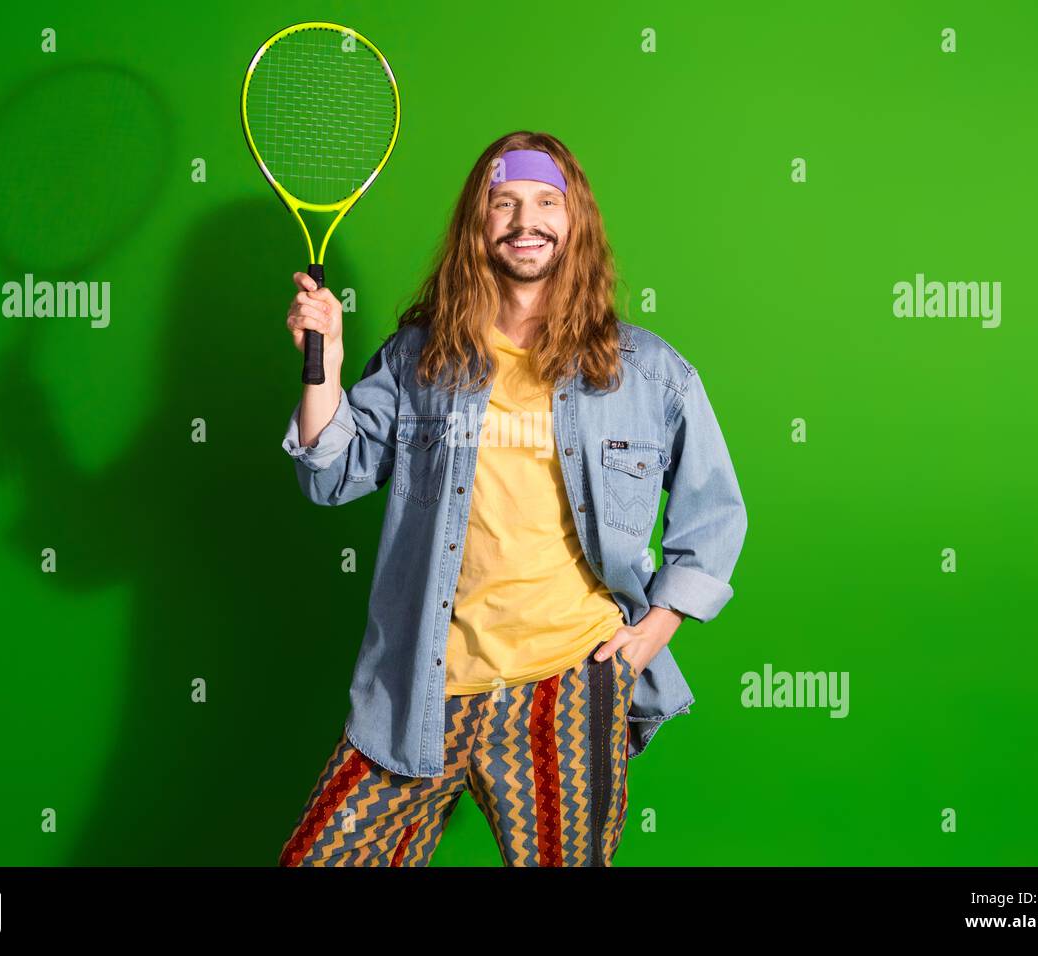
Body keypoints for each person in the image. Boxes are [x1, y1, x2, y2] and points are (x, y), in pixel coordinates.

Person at [276, 131, 748, 866]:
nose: (525, 220)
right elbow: (330, 476)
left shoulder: (649, 373)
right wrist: (324, 366)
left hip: (566, 683)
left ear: (575, 222)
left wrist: (653, 631)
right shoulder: (418, 360)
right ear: (479, 224)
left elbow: (715, 514)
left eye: (545, 202)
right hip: (418, 684)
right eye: (504, 203)